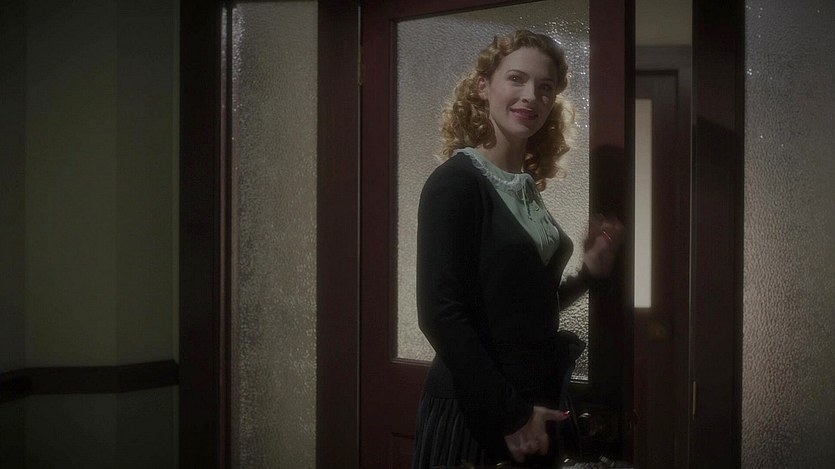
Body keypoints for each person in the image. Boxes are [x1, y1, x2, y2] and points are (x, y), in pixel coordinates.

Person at [411, 30, 623, 468]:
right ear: (483, 86)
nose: (531, 96)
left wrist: (588, 274)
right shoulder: (456, 183)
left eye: (545, 87)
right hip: (477, 413)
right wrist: (511, 416)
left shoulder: (524, 189)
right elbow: (441, 314)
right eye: (516, 79)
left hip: (530, 406)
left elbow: (520, 308)